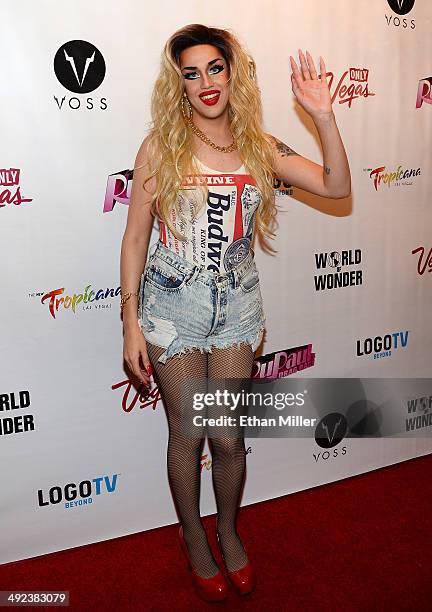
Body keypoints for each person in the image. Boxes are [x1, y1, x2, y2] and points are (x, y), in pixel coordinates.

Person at [120, 24, 350, 602]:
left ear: (232, 72)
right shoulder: (158, 148)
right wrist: (130, 322)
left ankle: (227, 527)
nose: (205, 83)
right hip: (173, 313)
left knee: (227, 438)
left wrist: (323, 116)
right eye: (190, 73)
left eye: (214, 68)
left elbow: (337, 184)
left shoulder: (259, 146)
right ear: (179, 85)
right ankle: (193, 535)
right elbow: (134, 239)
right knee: (188, 432)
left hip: (238, 312)